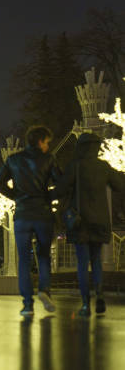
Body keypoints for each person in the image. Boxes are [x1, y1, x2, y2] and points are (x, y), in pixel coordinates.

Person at [54, 133, 125, 316]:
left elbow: (61, 189)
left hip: (80, 222)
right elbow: (119, 186)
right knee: (97, 261)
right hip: (100, 221)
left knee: (83, 263)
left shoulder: (75, 166)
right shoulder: (103, 167)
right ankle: (99, 294)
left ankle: (86, 304)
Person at [0, 125, 61, 316]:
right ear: (40, 141)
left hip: (22, 215)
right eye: (47, 142)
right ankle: (44, 290)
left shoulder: (14, 160)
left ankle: (27, 304)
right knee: (43, 255)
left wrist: (15, 196)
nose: (48, 146)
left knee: (23, 259)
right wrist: (48, 196)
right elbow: (60, 182)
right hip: (42, 214)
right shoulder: (48, 159)